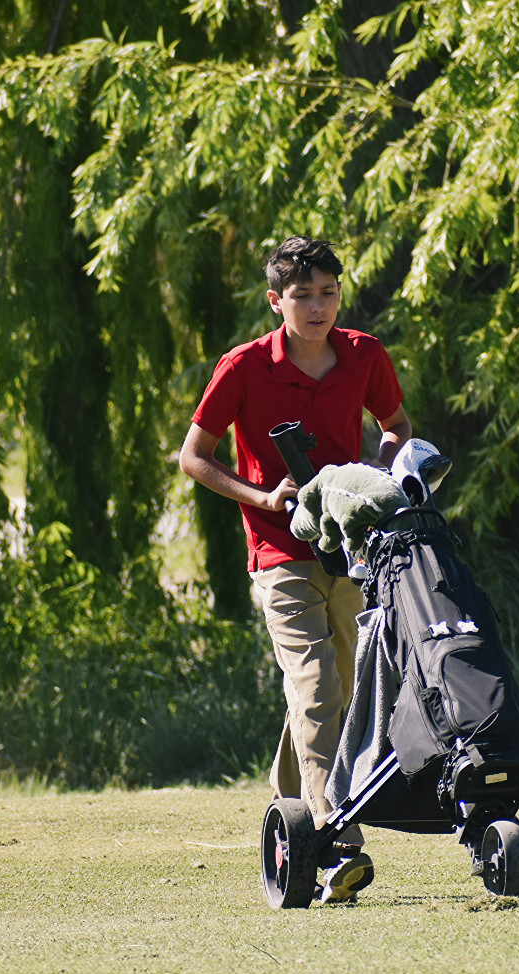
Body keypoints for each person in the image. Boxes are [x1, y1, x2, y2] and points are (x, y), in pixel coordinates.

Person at [179, 236, 412, 903]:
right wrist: (261, 498)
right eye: (303, 295)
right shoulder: (244, 366)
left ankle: (292, 811)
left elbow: (396, 426)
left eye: (328, 293)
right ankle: (336, 842)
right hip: (279, 555)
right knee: (314, 688)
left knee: (344, 692)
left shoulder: (365, 354)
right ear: (275, 300)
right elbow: (194, 457)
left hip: (352, 549)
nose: (318, 307)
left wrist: (378, 476)